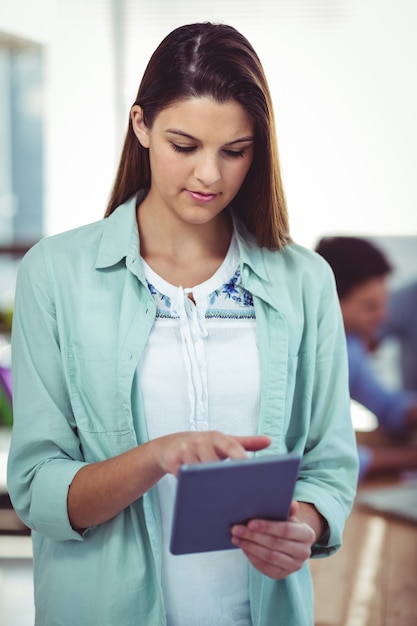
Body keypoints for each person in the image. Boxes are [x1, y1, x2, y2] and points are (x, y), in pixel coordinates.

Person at [7, 23, 358, 626]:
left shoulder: (305, 280)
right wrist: (157, 457)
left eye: (235, 150)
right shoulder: (55, 274)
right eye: (184, 145)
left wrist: (302, 526)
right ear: (141, 126)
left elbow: (329, 464)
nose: (209, 177)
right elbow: (38, 489)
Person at [315, 236, 417, 479]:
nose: (383, 317)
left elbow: (386, 404)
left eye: (383, 303)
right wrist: (410, 458)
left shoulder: (350, 345)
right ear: (326, 300)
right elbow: (318, 457)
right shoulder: (303, 357)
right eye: (369, 307)